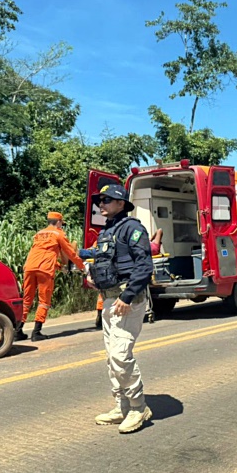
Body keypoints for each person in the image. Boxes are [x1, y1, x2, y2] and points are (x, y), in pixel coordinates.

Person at [85, 184, 154, 434]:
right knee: (111, 357)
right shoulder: (107, 231)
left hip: (127, 302)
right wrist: (94, 278)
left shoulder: (133, 228)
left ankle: (138, 407)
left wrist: (127, 296)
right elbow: (105, 262)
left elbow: (144, 266)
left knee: (120, 355)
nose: (100, 204)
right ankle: (121, 405)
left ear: (121, 203)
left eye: (106, 200)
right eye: (99, 201)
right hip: (109, 300)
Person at [16, 212, 85, 342]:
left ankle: (18, 331)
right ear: (58, 222)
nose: (62, 226)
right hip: (45, 270)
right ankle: (36, 332)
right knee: (44, 301)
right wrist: (82, 267)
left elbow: (43, 254)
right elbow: (71, 253)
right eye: (62, 224)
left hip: (29, 267)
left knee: (26, 299)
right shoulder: (58, 234)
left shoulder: (39, 234)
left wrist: (59, 266)